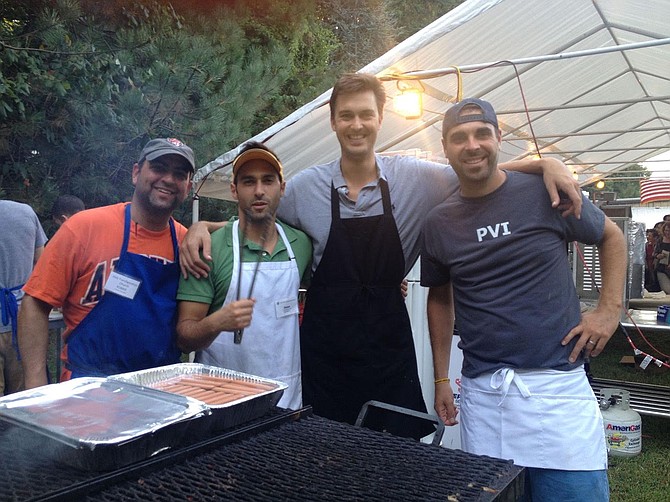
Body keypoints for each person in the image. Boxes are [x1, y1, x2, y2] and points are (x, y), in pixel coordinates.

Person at [180, 73, 584, 439]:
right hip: (325, 353)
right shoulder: (305, 187)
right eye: (347, 116)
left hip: (388, 346)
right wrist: (204, 228)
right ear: (334, 121)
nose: (357, 125)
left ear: (380, 118)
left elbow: (478, 170)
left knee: (395, 459)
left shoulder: (417, 178)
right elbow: (256, 215)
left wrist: (543, 163)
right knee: (325, 453)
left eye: (365, 115)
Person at [420, 98, 626, 500]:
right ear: (445, 148)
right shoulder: (438, 223)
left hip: (558, 389)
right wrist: (442, 378)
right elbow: (440, 299)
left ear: (499, 137)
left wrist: (608, 310)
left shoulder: (544, 191)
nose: (472, 145)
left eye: (482, 133)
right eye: (459, 138)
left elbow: (611, 236)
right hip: (485, 396)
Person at [18, 138, 195, 387]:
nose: (168, 178)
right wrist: (35, 382)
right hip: (86, 388)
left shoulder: (187, 245)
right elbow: (35, 303)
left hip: (159, 390)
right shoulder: (84, 228)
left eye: (179, 174)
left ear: (188, 186)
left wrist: (207, 227)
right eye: (159, 168)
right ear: (136, 173)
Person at [176, 143, 312, 409]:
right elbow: (184, 336)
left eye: (268, 181)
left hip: (286, 400)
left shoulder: (301, 243)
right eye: (249, 182)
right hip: (220, 402)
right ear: (234, 190)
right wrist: (216, 323)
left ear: (281, 188)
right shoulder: (209, 248)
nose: (259, 190)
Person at [0, 200, 48, 395]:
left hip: (18, 318)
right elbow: (43, 263)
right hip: (24, 320)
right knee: (22, 401)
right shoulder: (25, 211)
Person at [654, 222, 670, 294]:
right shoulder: (660, 240)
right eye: (666, 230)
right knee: (667, 289)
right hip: (662, 268)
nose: (668, 233)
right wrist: (658, 256)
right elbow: (654, 253)